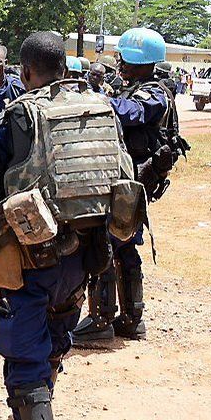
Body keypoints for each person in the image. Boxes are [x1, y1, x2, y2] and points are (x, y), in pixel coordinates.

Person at [0, 31, 137, 420]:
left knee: (23, 350)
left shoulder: (14, 118)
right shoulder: (100, 108)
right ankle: (42, 409)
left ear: (25, 71)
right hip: (87, 256)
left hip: (34, 257)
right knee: (59, 329)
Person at [73, 28, 170, 348]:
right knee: (123, 246)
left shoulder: (154, 93)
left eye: (127, 60)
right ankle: (130, 320)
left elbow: (134, 113)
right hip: (120, 179)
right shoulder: (132, 87)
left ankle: (103, 321)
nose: (121, 65)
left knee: (108, 243)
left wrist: (102, 100)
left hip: (132, 182)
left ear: (145, 63)